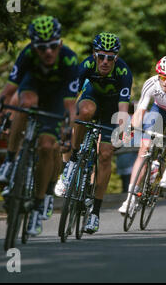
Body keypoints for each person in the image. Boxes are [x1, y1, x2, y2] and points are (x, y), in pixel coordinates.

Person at [0, 15, 79, 236]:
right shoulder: (27, 55)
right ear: (34, 46)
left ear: (59, 43)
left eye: (52, 46)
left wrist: (69, 127)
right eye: (42, 48)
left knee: (47, 147)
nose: (48, 52)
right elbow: (10, 88)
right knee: (24, 104)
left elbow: (70, 104)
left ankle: (39, 203)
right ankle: (10, 161)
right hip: (33, 89)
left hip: (56, 98)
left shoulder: (69, 60)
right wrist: (0, 106)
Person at [57, 32, 133, 233]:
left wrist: (123, 126)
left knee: (106, 155)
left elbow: (123, 109)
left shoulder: (124, 72)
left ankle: (95, 213)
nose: (105, 61)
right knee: (84, 111)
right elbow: (72, 96)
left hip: (112, 110)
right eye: (101, 56)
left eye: (110, 57)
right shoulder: (86, 65)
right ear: (94, 54)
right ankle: (72, 161)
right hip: (91, 100)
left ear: (116, 58)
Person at [118, 55, 166, 214]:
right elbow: (140, 110)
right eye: (163, 77)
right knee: (143, 150)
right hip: (157, 110)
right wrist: (130, 128)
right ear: (159, 76)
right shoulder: (151, 83)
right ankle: (130, 199)